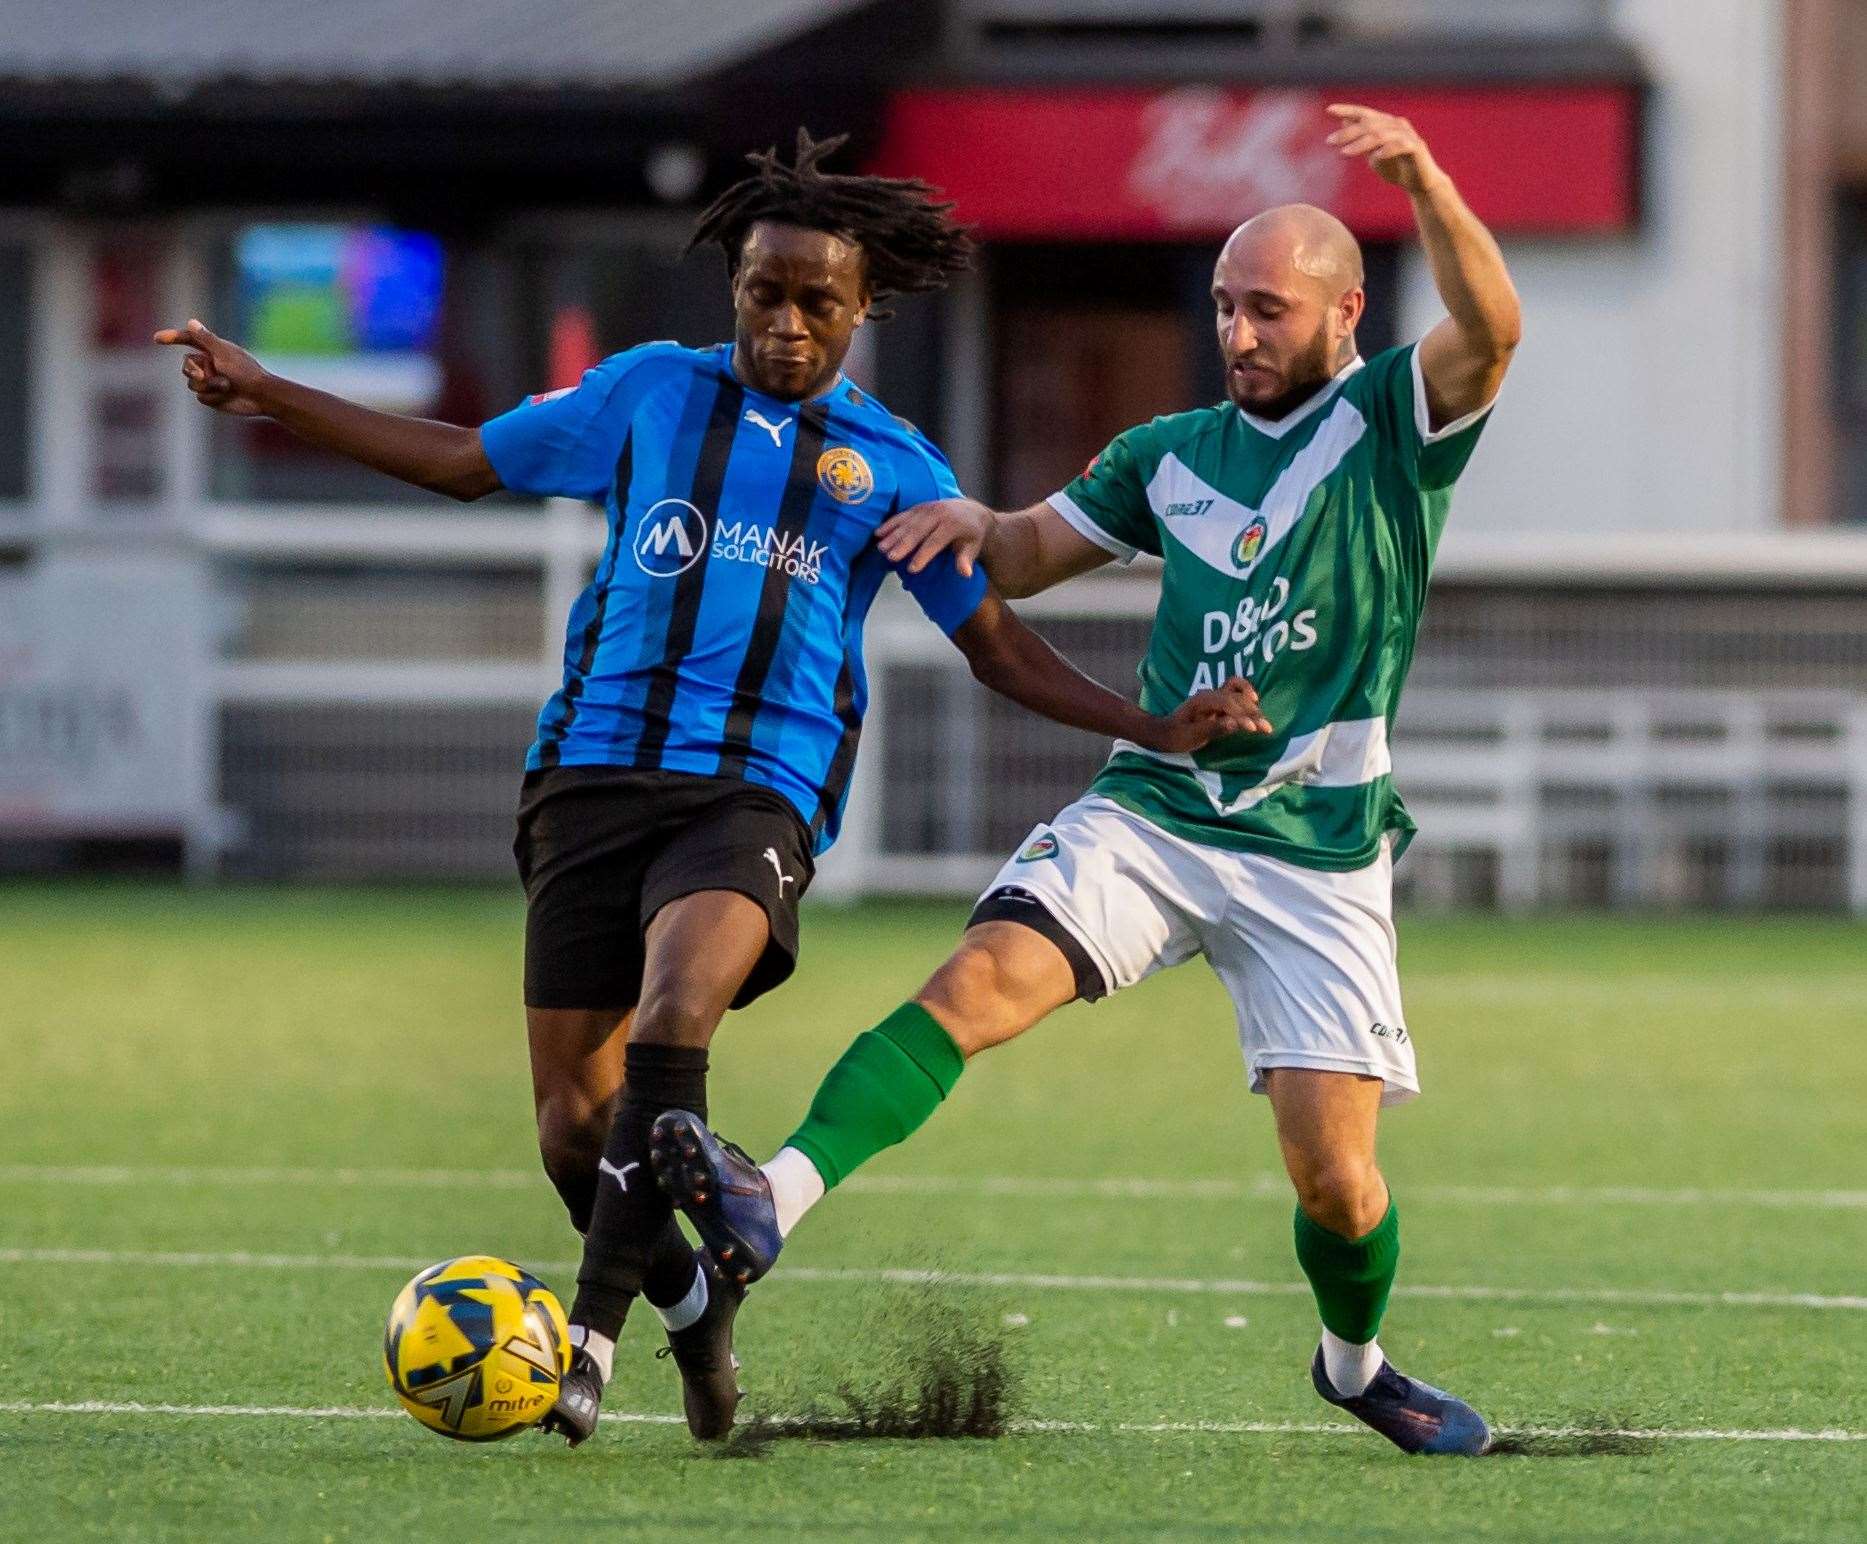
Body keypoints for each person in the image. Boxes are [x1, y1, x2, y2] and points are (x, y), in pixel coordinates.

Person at [155, 131, 1266, 1446]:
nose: (787, 324)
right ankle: (697, 1301)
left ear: (863, 312)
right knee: (576, 1128)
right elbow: (464, 463)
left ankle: (592, 1343)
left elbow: (996, 645)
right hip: (590, 779)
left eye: (817, 304)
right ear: (733, 289)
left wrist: (1152, 726)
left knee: (678, 1017)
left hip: (755, 793)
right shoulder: (644, 396)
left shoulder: (892, 469)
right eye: (764, 295)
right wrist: (268, 388)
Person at [649, 105, 1522, 1457]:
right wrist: (970, 528)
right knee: (979, 980)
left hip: (1319, 849)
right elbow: (1031, 545)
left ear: (1347, 314)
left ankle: (1354, 1367)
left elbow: (1497, 330)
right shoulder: (1166, 456)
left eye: (1270, 312)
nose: (1239, 334)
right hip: (1158, 815)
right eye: (1227, 308)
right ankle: (777, 1189)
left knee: (1338, 1183)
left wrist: (1430, 182)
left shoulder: (1392, 420)